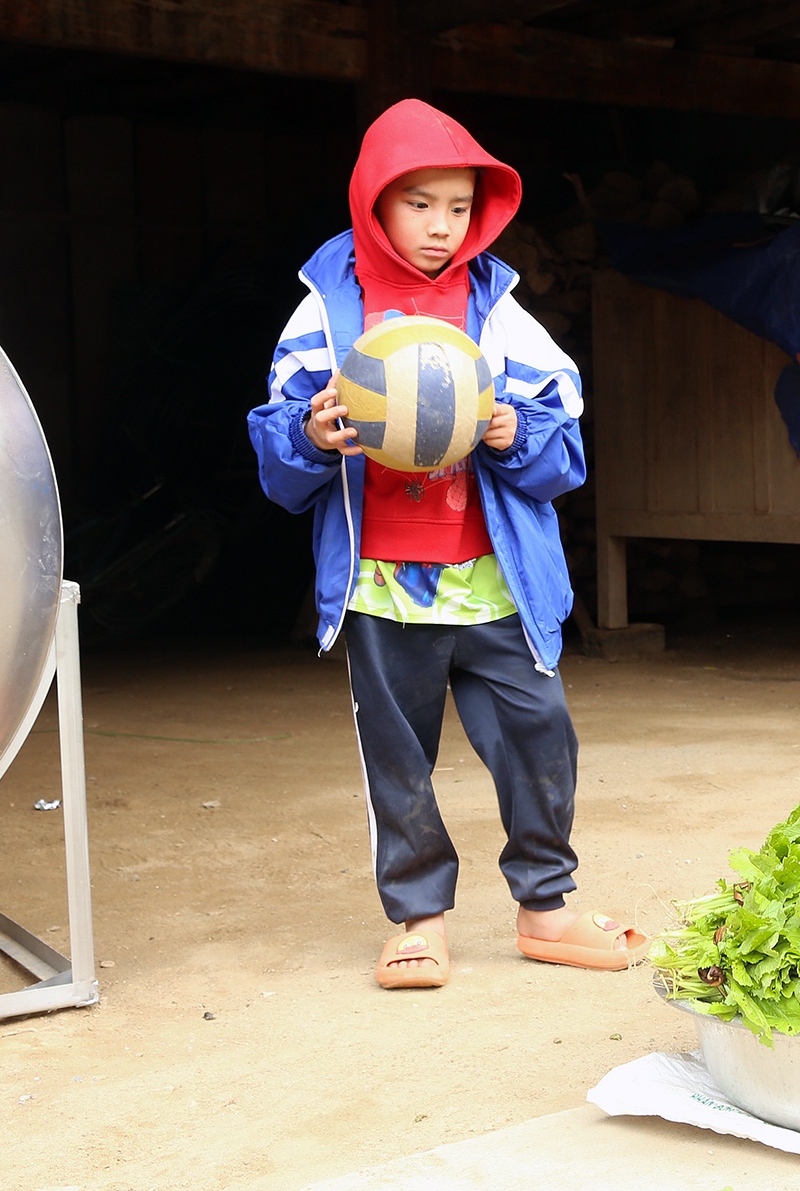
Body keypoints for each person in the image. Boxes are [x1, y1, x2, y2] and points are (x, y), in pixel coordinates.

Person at [248, 98, 644, 990]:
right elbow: (278, 460)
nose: (441, 226)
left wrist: (513, 430)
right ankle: (418, 920)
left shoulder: (497, 309)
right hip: (383, 584)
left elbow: (565, 449)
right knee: (398, 756)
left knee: (540, 737)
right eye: (419, 203)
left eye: (459, 207)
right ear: (374, 202)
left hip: (495, 579)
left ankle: (546, 909)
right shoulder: (326, 312)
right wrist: (310, 434)